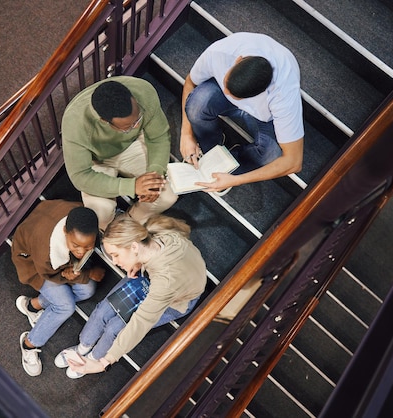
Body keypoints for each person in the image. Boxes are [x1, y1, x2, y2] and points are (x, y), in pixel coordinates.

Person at [54, 213, 207, 378]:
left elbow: (140, 323)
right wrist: (139, 262)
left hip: (175, 300)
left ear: (134, 247)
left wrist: (102, 363)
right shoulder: (150, 238)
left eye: (116, 255)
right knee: (103, 310)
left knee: (116, 327)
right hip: (152, 274)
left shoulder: (165, 283)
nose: (114, 261)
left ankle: (93, 357)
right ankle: (82, 347)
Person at [180, 32, 305, 194]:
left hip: (265, 117)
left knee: (271, 153)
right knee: (197, 103)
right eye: (226, 83)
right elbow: (190, 81)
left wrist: (237, 180)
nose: (226, 91)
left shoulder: (283, 94)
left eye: (235, 95)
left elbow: (294, 161)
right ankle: (211, 147)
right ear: (238, 60)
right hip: (236, 93)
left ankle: (230, 165)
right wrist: (186, 134)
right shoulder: (220, 52)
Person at [62, 76, 178, 231]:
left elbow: (158, 137)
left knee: (168, 193)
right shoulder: (75, 123)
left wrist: (154, 175)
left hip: (132, 145)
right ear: (104, 121)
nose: (136, 124)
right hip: (96, 161)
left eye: (138, 120)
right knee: (99, 215)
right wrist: (132, 186)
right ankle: (110, 229)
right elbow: (80, 176)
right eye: (129, 126)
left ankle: (128, 223)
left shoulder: (143, 91)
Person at [11, 199, 106, 377]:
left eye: (88, 246)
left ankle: (34, 306)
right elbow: (49, 274)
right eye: (76, 246)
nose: (81, 252)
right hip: (33, 264)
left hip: (55, 260)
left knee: (87, 290)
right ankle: (29, 343)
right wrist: (80, 273)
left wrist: (80, 272)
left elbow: (78, 252)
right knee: (65, 307)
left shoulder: (80, 215)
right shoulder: (46, 252)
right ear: (65, 232)